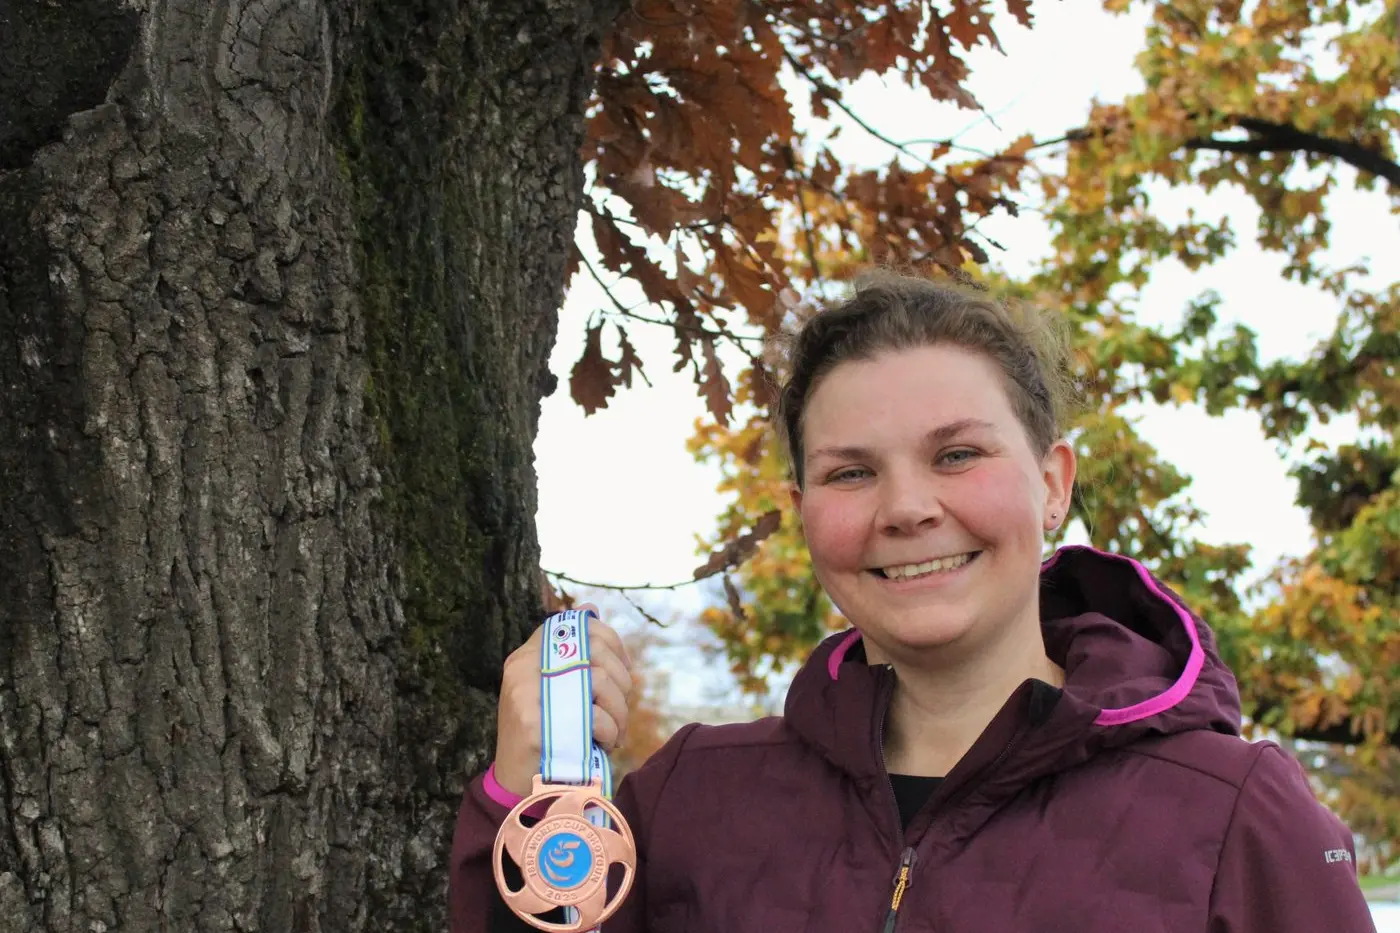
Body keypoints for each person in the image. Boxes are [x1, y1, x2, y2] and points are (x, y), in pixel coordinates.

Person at [452, 271, 1377, 932]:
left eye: (957, 455)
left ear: (1053, 483)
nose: (905, 508)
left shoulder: (1234, 816)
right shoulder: (690, 801)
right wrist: (523, 798)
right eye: (851, 472)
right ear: (804, 510)